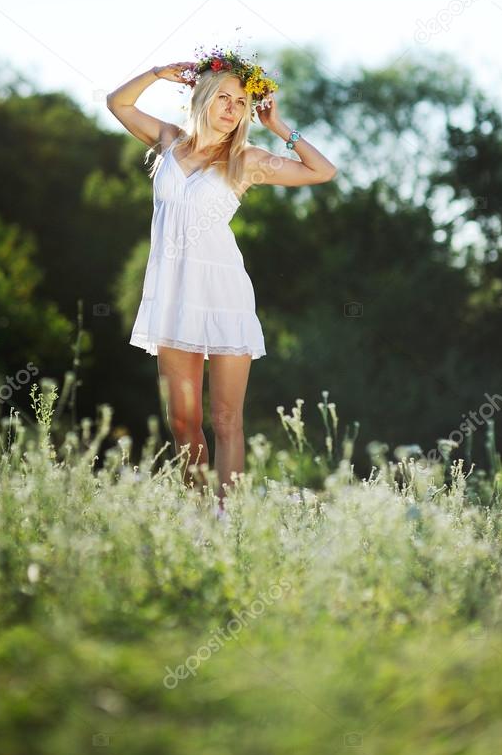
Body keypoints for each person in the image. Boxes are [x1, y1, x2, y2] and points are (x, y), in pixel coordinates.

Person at [106, 50, 337, 508]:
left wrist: (280, 128)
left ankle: (228, 519)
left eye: (241, 101)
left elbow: (323, 172)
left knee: (227, 419)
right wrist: (155, 74)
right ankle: (197, 516)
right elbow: (118, 104)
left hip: (223, 292)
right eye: (225, 97)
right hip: (174, 295)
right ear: (205, 97)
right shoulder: (168, 141)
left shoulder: (246, 159)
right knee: (183, 422)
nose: (233, 108)